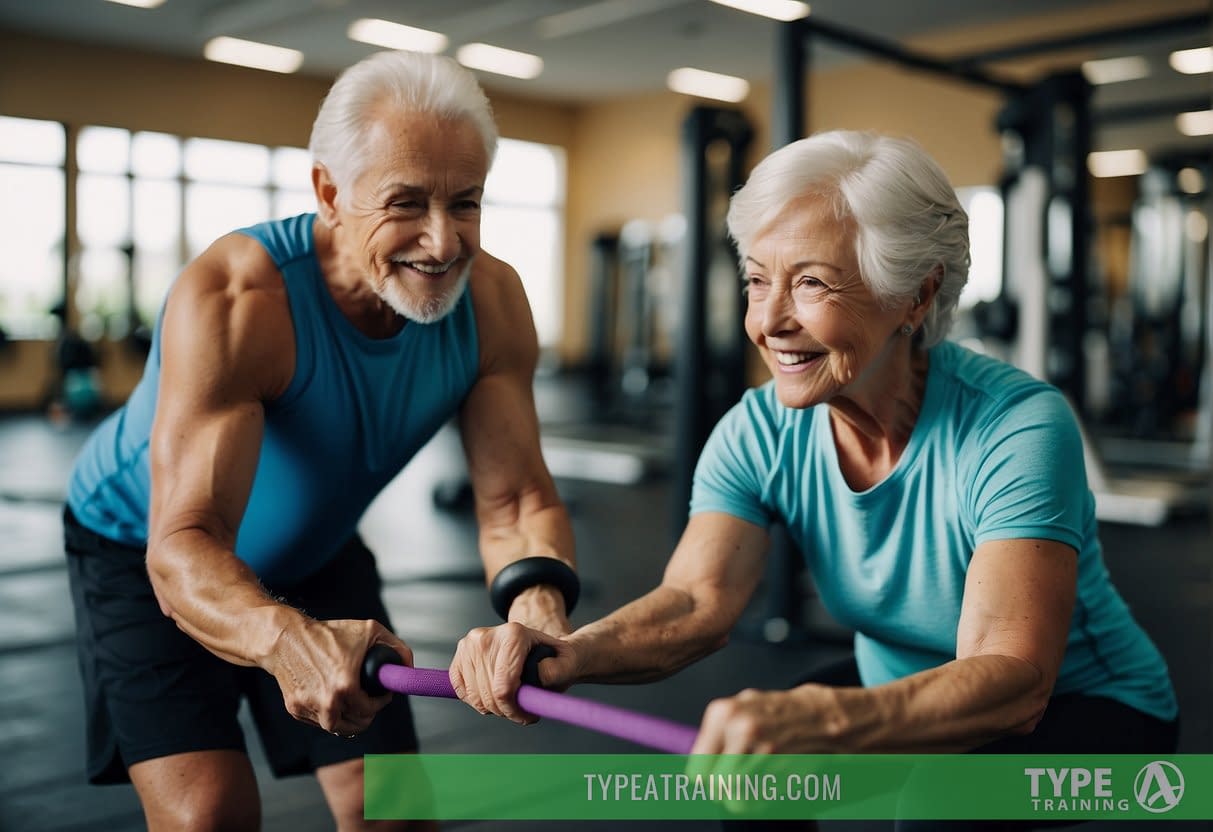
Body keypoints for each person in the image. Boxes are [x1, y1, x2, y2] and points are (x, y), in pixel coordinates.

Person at [450, 130, 1178, 828]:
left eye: (810, 284)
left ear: (915, 296)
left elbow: (1013, 681)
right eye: (757, 279)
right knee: (758, 784)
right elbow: (696, 600)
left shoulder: (1016, 427)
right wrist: (570, 653)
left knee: (941, 803)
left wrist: (825, 720)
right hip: (900, 682)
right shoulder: (759, 428)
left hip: (1096, 710)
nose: (767, 320)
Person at [63, 50, 578, 831]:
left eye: (465, 203)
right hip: (145, 549)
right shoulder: (240, 299)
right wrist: (280, 636)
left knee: (391, 810)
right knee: (209, 815)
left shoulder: (495, 303)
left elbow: (514, 500)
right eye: (405, 203)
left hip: (315, 548)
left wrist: (535, 607)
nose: (442, 243)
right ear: (329, 193)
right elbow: (185, 544)